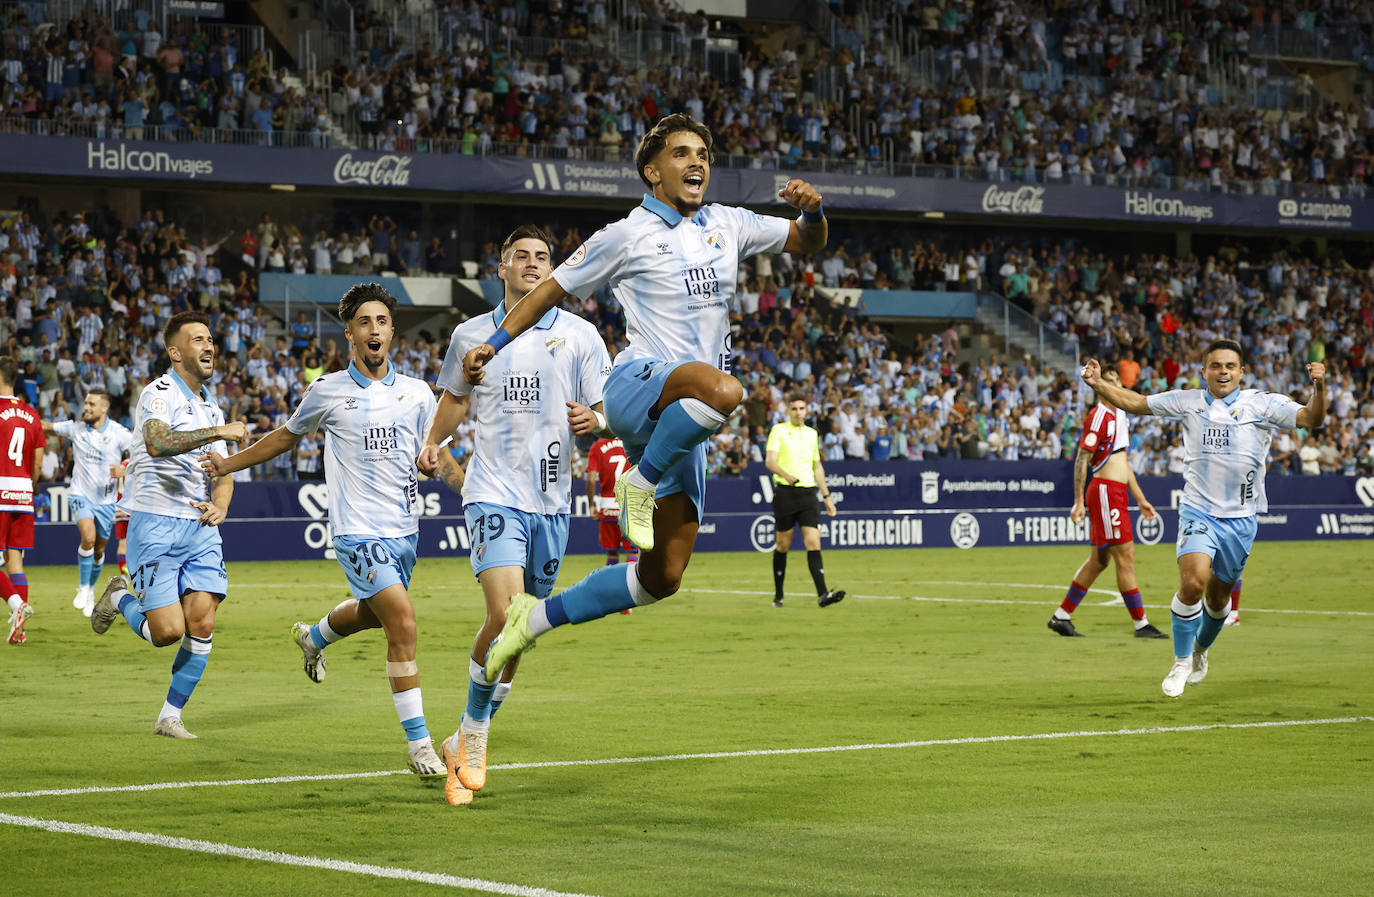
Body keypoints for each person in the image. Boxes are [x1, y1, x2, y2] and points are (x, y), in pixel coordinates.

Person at [462, 113, 828, 683]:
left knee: (661, 578)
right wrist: (493, 342)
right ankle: (640, 479)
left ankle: (533, 622)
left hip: (686, 417)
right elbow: (549, 290)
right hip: (637, 386)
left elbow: (807, 240)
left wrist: (813, 210)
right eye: (682, 153)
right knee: (726, 387)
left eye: (703, 152)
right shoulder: (626, 234)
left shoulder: (728, 223)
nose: (698, 161)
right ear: (652, 171)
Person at [201, 284, 447, 778]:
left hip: (404, 532)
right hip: (356, 532)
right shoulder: (328, 390)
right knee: (403, 623)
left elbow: (434, 453)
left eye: (381, 321)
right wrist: (228, 464)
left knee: (377, 616)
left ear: (392, 332)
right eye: (364, 323)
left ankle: (314, 637)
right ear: (350, 334)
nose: (373, 330)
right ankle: (420, 744)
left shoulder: (418, 394)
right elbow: (284, 439)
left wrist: (442, 466)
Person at [418, 225, 611, 806]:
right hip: (492, 490)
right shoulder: (472, 335)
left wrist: (596, 422)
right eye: (521, 256)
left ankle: (460, 739)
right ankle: (474, 739)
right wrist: (433, 442)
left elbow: (605, 409)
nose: (532, 264)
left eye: (542, 257)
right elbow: (454, 397)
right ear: (499, 266)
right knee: (504, 617)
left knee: (522, 633)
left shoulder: (580, 335)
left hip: (552, 499)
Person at [1080, 340, 1325, 697]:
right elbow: (1137, 402)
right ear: (1204, 371)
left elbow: (1311, 418)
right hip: (1198, 511)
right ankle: (1180, 662)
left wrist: (1319, 387)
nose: (1222, 371)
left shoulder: (1262, 404)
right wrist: (1100, 384)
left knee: (1218, 600)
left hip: (1241, 519)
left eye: (1229, 366)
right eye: (1215, 366)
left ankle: (1200, 650)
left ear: (1241, 372)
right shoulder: (1188, 401)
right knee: (1193, 583)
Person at [89, 312, 249, 737]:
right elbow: (158, 442)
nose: (209, 345)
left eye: (210, 338)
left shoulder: (210, 406)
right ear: (175, 352)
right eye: (198, 339)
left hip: (199, 526)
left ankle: (170, 716)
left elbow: (224, 470)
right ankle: (119, 596)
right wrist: (220, 429)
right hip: (156, 522)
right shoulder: (158, 394)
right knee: (166, 632)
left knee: (203, 621)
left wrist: (221, 505)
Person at [1048, 365, 1164, 638]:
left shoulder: (1119, 414)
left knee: (1099, 561)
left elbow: (1122, 462)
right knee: (1126, 557)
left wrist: (1141, 498)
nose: (1115, 386)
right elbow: (1082, 458)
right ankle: (1141, 624)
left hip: (1116, 491)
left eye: (1117, 382)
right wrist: (1078, 501)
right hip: (1105, 492)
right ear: (1099, 386)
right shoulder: (1099, 416)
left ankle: (1061, 616)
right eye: (1108, 381)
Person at [42, 388, 132, 616]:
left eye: (92, 404)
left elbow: (142, 456)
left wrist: (124, 469)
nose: (86, 407)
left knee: (99, 551)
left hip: (106, 502)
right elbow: (47, 426)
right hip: (80, 494)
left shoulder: (119, 433)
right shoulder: (76, 428)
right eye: (86, 403)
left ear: (104, 408)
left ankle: (90, 589)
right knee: (88, 538)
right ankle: (82, 587)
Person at [764, 393, 844, 609]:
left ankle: (822, 595)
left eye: (802, 408)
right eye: (794, 409)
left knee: (813, 542)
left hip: (808, 494)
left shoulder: (811, 434)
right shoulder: (778, 431)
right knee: (783, 545)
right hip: (785, 493)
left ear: (807, 411)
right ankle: (779, 595)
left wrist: (827, 497)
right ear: (788, 411)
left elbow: (817, 466)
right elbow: (770, 461)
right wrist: (786, 475)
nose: (798, 412)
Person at [0, 358, 43, 644]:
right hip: (23, 493)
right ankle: (19, 630)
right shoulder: (32, 414)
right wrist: (29, 485)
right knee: (15, 562)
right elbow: (37, 461)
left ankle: (16, 605)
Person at [586, 435, 638, 571]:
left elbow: (591, 479)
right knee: (633, 552)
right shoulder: (632, 441)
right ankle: (629, 587)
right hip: (630, 505)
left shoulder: (597, 446)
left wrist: (591, 504)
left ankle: (611, 586)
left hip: (607, 507)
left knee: (612, 553)